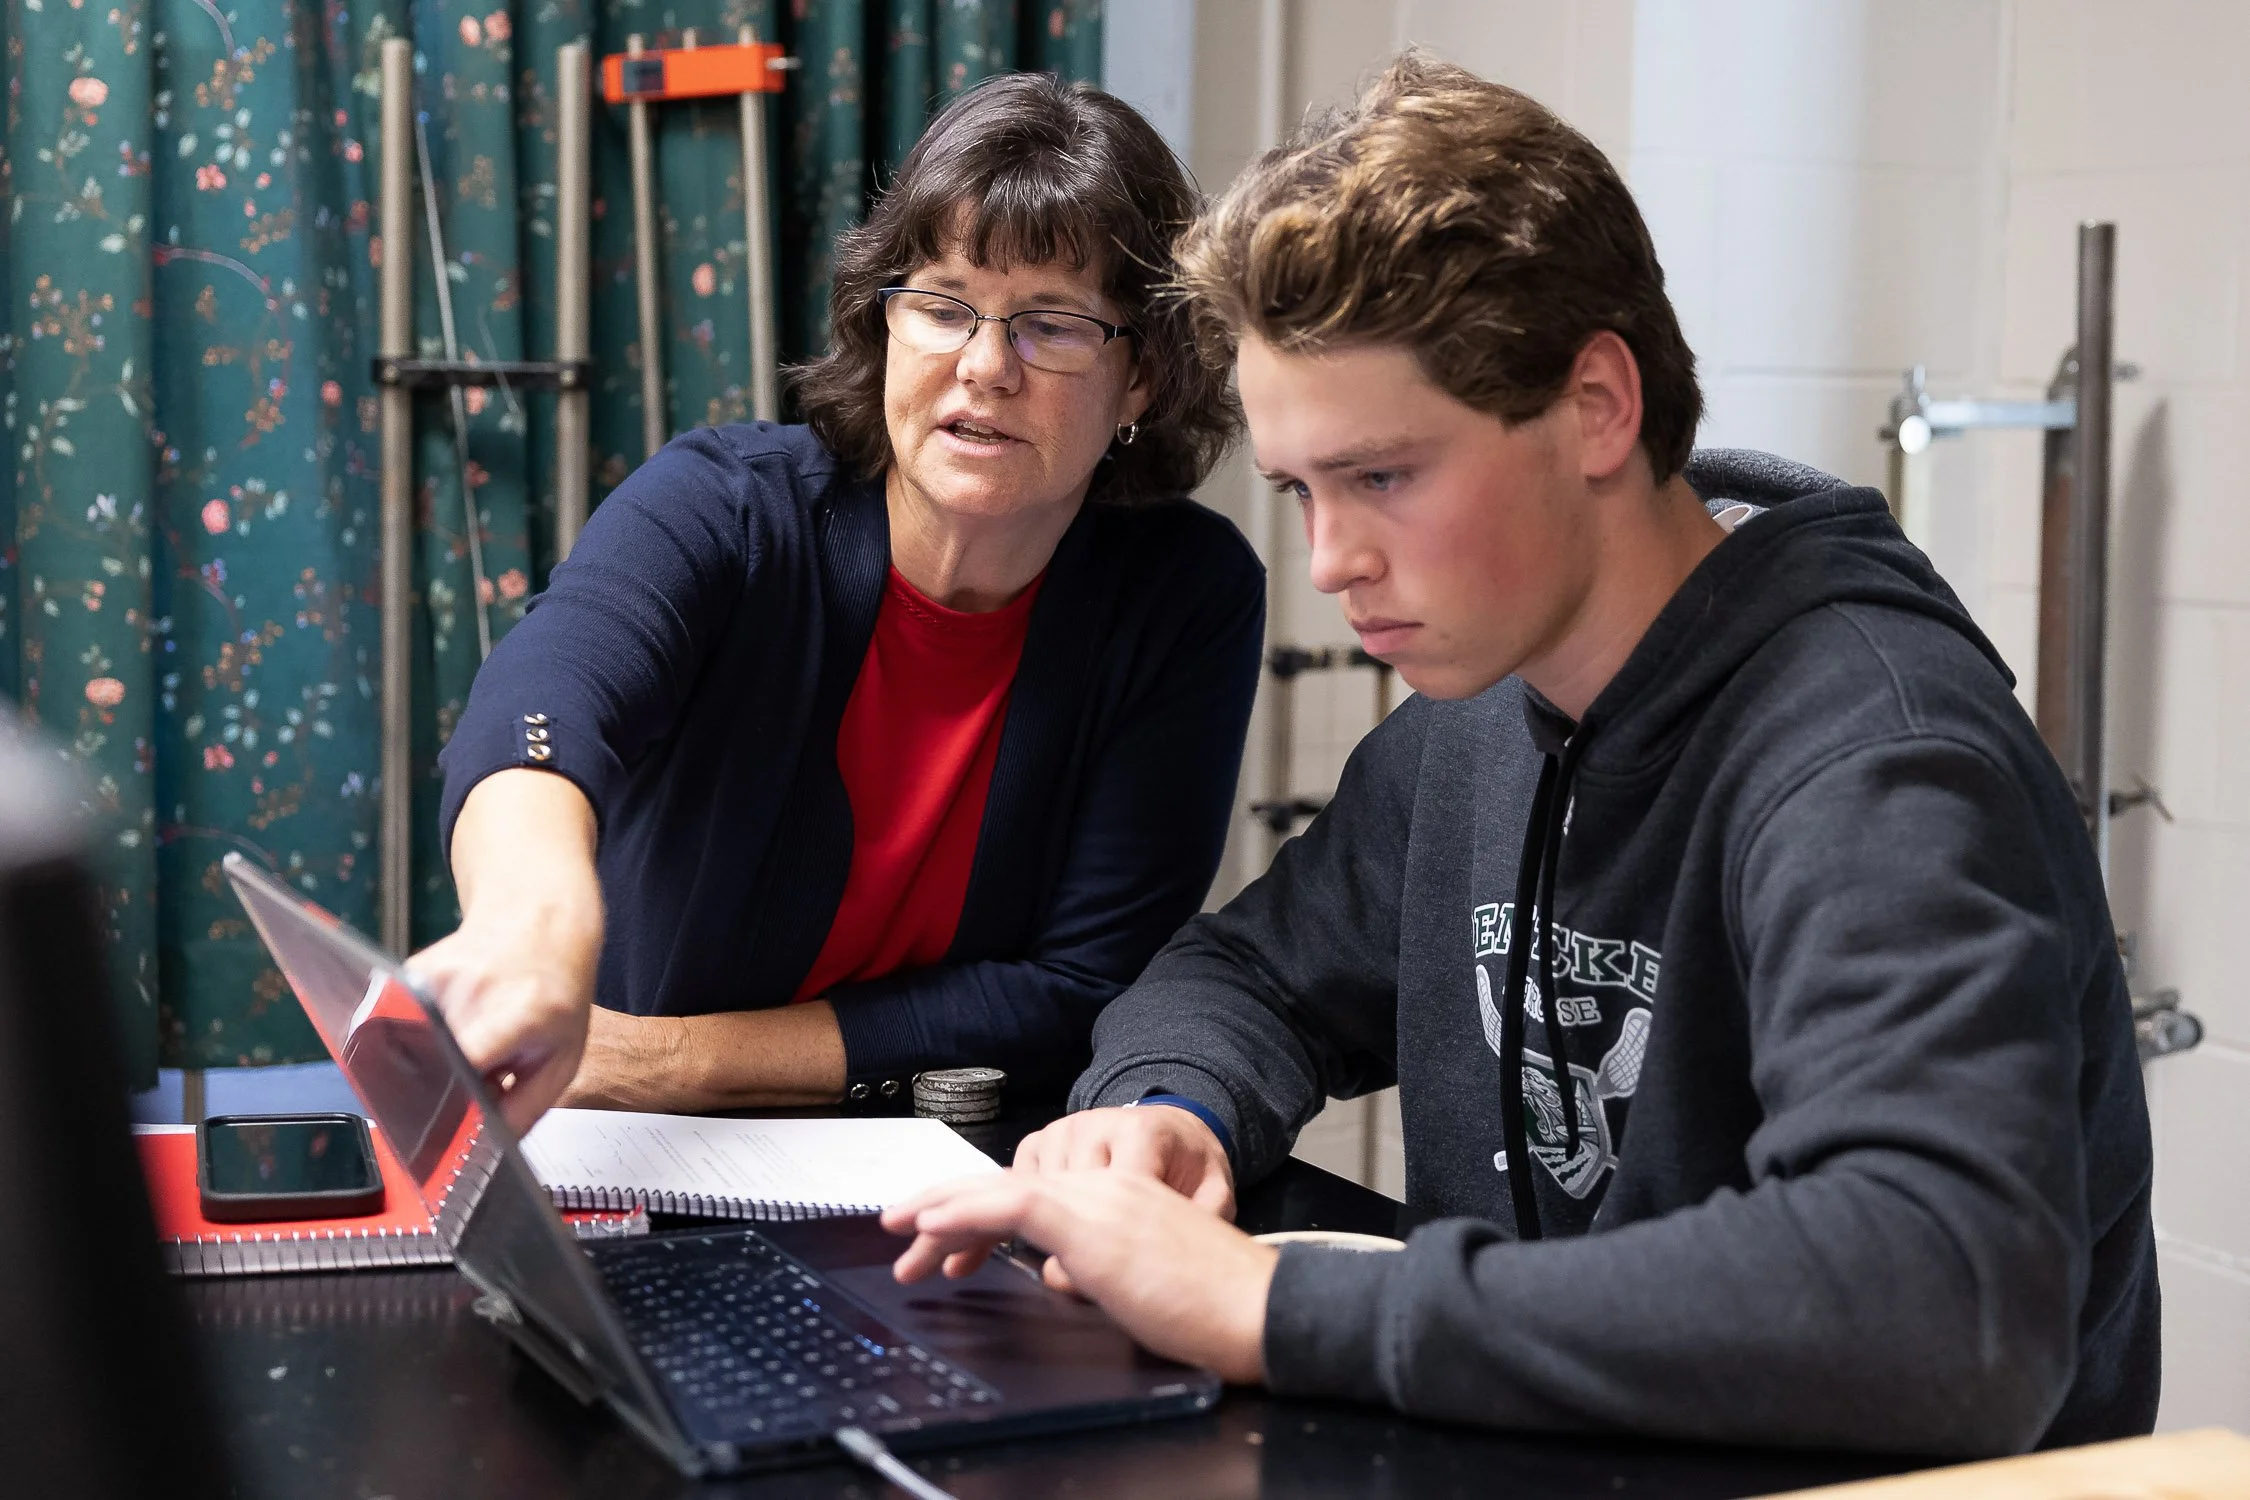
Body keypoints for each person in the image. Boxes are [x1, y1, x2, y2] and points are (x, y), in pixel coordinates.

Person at [883, 54, 2159, 1458]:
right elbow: (1243, 972)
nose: (1328, 562)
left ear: (1597, 406)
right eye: (1302, 490)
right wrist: (1168, 1111)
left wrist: (1266, 1302)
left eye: (1383, 477)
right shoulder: (1476, 720)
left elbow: (1940, 1308)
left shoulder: (1873, 757)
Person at [417, 73, 1263, 1130]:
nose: (985, 366)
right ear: (886, 321)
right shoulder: (724, 506)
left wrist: (656, 1060)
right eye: (943, 305)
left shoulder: (1186, 595)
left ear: (1143, 379)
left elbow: (1079, 989)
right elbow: (540, 704)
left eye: (1053, 326)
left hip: (948, 1179)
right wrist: (533, 922)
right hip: (628, 1159)